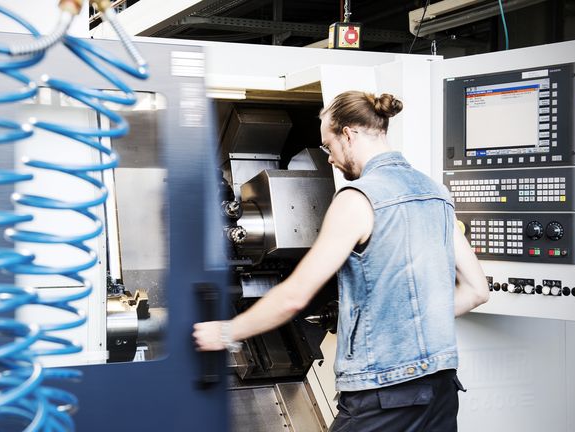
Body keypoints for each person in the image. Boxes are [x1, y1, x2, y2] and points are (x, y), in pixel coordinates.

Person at [193, 91, 489, 431]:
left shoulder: (357, 200)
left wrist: (227, 331)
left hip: (383, 393)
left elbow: (294, 297)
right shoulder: (436, 193)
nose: (329, 158)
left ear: (348, 134)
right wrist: (408, 321)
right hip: (440, 390)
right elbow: (476, 290)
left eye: (327, 146)